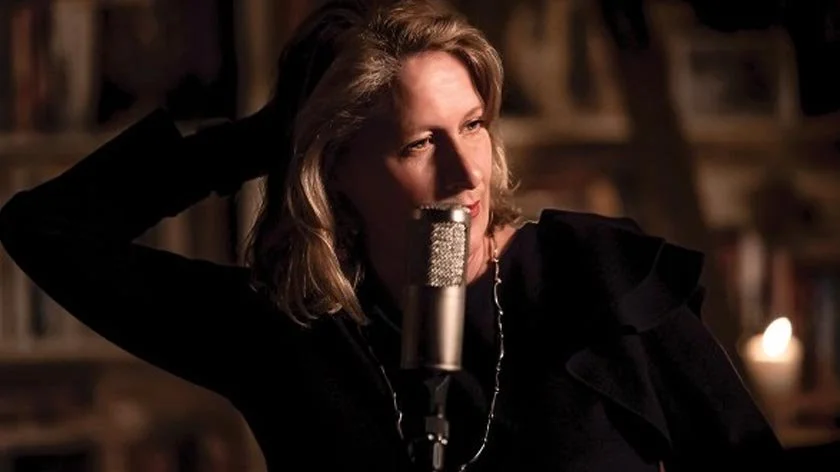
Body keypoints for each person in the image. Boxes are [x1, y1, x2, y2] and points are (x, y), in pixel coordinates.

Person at [0, 1, 789, 471]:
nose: (464, 172)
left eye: (473, 126)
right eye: (418, 144)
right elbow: (46, 230)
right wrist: (262, 137)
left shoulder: (603, 284)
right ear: (334, 167)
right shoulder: (286, 332)